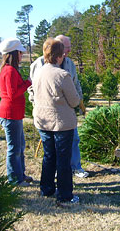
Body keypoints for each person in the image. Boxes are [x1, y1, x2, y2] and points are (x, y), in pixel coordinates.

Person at [29, 35, 89, 178]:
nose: (67, 52)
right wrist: (37, 104)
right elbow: (32, 88)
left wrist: (80, 103)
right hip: (48, 116)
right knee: (54, 152)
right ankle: (62, 186)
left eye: (68, 48)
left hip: (65, 115)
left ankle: (75, 167)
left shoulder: (69, 64)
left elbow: (75, 84)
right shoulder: (38, 64)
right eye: (65, 48)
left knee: (74, 140)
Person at [32, 38, 80, 204]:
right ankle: (65, 195)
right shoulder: (62, 75)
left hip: (42, 121)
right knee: (63, 160)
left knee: (49, 156)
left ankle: (46, 189)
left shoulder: (37, 72)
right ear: (60, 56)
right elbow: (74, 101)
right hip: (61, 124)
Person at [0, 37, 33, 187]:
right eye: (20, 52)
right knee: (14, 148)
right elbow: (13, 94)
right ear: (14, 53)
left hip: (13, 114)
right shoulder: (10, 71)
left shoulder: (8, 70)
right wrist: (28, 82)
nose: (22, 55)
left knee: (20, 146)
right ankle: (14, 179)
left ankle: (20, 174)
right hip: (9, 114)